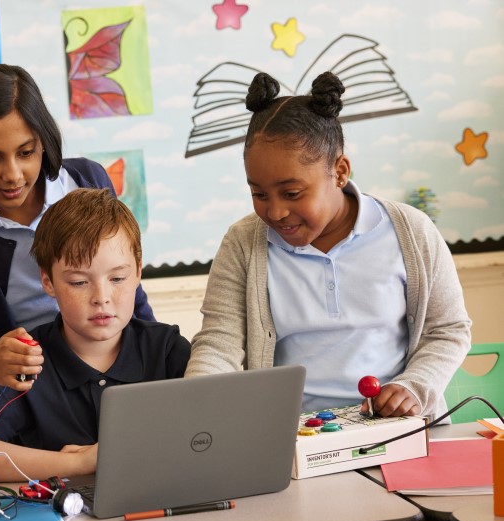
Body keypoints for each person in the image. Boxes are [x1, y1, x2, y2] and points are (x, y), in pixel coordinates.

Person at [185, 71, 471, 420]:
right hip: (292, 435)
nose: (274, 211)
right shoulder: (243, 243)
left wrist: (415, 385)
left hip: (395, 429)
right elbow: (220, 343)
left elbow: (448, 330)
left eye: (292, 193)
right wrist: (196, 405)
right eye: (258, 193)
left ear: (339, 171)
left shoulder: (411, 231)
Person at [0, 64, 155, 396]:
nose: (13, 175)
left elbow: (132, 299)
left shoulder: (86, 181)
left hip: (119, 381)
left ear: (44, 141)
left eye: (26, 153)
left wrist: (156, 364)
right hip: (35, 401)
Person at [0, 188, 190, 481]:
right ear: (48, 281)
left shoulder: (166, 350)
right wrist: (80, 463)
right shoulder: (28, 361)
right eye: (78, 282)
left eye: (117, 278)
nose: (101, 297)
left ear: (138, 273)